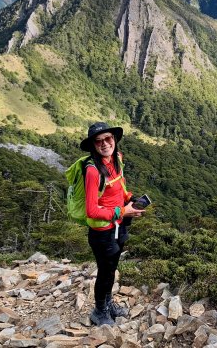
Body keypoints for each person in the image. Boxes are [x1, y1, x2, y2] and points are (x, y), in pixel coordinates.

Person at [80, 122, 146, 326]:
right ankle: (99, 311)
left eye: (108, 138)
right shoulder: (92, 171)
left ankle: (108, 305)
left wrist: (129, 200)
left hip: (119, 224)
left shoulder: (117, 158)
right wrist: (122, 211)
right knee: (105, 271)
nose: (104, 144)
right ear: (93, 145)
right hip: (102, 231)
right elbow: (91, 210)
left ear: (114, 140)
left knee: (112, 267)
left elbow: (119, 185)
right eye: (98, 141)